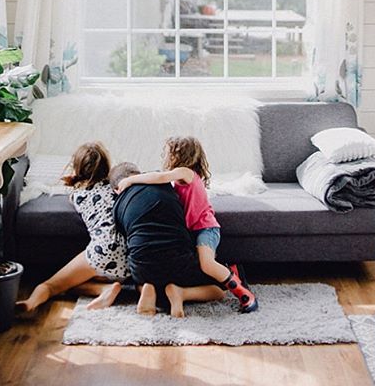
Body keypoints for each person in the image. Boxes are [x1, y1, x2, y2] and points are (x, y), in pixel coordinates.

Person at [116, 136, 258, 313]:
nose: (164, 157)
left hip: (205, 228)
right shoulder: (179, 181)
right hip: (192, 230)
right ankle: (226, 274)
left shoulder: (185, 172)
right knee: (197, 266)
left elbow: (161, 176)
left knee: (206, 264)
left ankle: (244, 294)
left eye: (167, 153)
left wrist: (131, 180)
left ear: (179, 155)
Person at [16, 143, 128, 313]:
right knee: (71, 283)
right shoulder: (117, 189)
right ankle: (108, 288)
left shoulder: (78, 195)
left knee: (51, 286)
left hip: (102, 251)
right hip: (131, 254)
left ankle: (31, 302)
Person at [109, 163, 225, 318]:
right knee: (218, 290)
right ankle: (181, 293)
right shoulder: (162, 184)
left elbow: (125, 243)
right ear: (139, 174)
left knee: (139, 274)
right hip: (178, 261)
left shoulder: (117, 206)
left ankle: (146, 287)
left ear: (116, 189)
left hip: (143, 266)